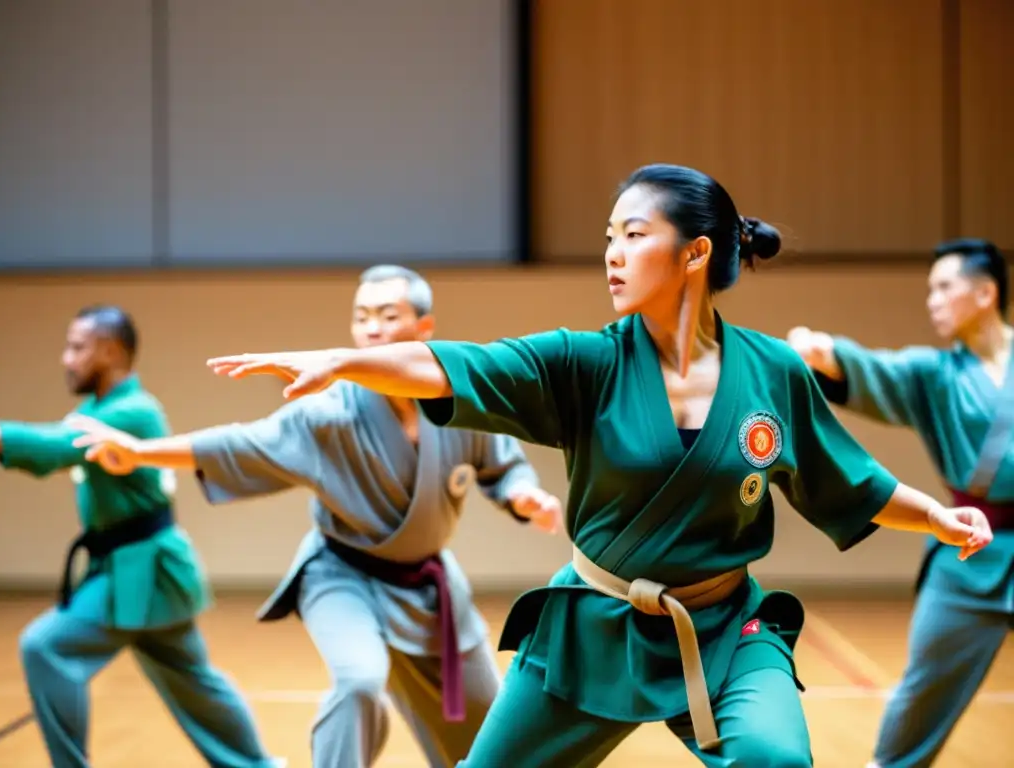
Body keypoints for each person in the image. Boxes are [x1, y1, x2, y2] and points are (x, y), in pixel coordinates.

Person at [195, 165, 992, 767]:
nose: (611, 254)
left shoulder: (772, 372)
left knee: (776, 759)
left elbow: (851, 480)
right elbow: (451, 365)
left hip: (723, 630)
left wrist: (939, 517)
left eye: (633, 235)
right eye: (608, 236)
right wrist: (342, 361)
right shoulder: (583, 364)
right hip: (593, 626)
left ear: (696, 252)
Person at [69, 266, 563, 768]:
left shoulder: (456, 402)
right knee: (358, 683)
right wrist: (141, 452)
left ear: (424, 327)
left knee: (488, 718)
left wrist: (523, 495)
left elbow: (500, 464)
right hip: (344, 576)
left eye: (387, 315)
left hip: (431, 586)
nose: (371, 328)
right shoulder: (332, 412)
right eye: (362, 316)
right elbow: (243, 442)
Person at [0, 305, 282, 768]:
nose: (66, 359)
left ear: (109, 352)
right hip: (133, 572)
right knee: (195, 682)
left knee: (45, 647)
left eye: (77, 348)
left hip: (145, 571)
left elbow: (51, 450)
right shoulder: (98, 410)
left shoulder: (133, 412)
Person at [786, 237, 1014, 768]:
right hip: (969, 551)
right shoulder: (931, 374)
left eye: (943, 287)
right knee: (923, 689)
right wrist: (817, 349)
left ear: (985, 293)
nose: (931, 299)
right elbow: (863, 367)